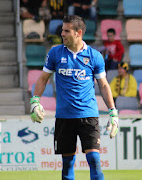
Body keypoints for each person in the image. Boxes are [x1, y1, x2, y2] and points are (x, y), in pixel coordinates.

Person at [30, 15, 118, 180]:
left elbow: (104, 85)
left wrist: (113, 112)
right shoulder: (55, 53)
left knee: (94, 159)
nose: (62, 33)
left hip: (88, 115)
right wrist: (35, 101)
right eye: (62, 30)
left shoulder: (94, 56)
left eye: (66, 31)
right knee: (68, 164)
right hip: (64, 116)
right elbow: (43, 79)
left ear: (78, 33)